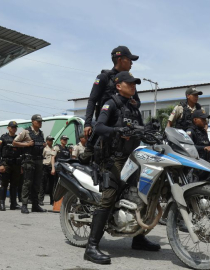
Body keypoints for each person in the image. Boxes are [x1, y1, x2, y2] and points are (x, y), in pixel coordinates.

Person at [84, 71, 159, 265]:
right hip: (113, 158)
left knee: (141, 194)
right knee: (109, 196)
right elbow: (99, 126)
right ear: (119, 85)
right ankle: (91, 246)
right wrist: (116, 130)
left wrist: (151, 129)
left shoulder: (133, 107)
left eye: (135, 84)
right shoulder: (111, 104)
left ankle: (138, 238)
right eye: (130, 83)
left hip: (133, 158)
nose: (133, 86)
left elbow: (139, 129)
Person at [83, 46, 141, 138]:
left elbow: (137, 102)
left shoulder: (129, 81)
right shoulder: (103, 77)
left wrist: (135, 104)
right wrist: (87, 124)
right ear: (120, 59)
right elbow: (92, 100)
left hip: (123, 129)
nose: (131, 63)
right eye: (129, 60)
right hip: (104, 127)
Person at [13, 114, 47, 214]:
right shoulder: (26, 131)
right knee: (27, 183)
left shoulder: (41, 133)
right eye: (38, 121)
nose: (40, 123)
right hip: (29, 160)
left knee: (37, 184)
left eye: (41, 121)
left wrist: (43, 145)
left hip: (39, 160)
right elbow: (15, 142)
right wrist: (26, 144)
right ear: (33, 121)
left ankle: (35, 205)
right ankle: (24, 205)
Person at [0, 121, 22, 211]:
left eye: (15, 127)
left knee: (14, 185)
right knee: (4, 184)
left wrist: (21, 166)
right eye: (12, 127)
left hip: (16, 164)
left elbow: (21, 152)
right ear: (8, 128)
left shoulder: (18, 138)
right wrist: (0, 164)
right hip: (6, 164)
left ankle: (13, 204)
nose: (14, 128)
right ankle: (2, 203)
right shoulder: (3, 138)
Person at [39, 135, 56, 206]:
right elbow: (41, 157)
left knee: (52, 185)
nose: (51, 141)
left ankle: (52, 200)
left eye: (52, 140)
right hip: (45, 167)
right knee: (43, 184)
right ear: (47, 141)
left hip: (51, 167)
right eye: (50, 140)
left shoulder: (54, 148)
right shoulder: (44, 149)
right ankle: (40, 200)